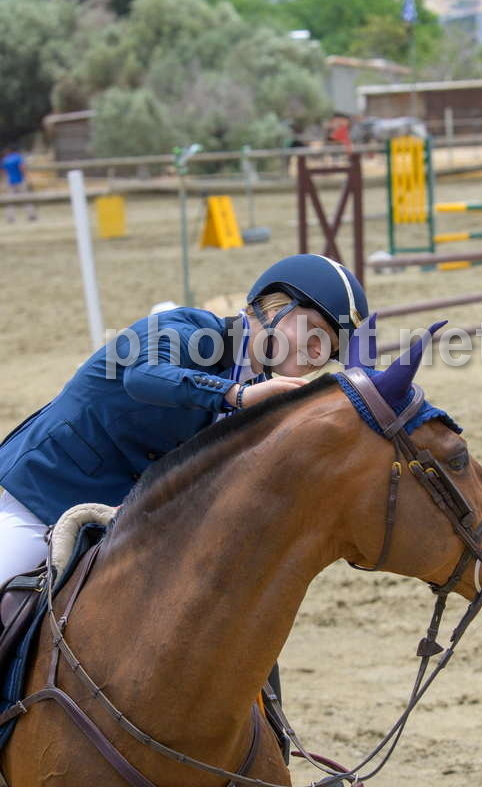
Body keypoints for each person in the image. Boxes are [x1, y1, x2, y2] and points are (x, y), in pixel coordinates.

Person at [0, 254, 369, 587]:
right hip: (46, 490)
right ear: (273, 307)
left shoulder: (260, 388)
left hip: (122, 523)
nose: (319, 352)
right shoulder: (186, 328)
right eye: (314, 331)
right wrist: (235, 395)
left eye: (330, 348)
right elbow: (142, 376)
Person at [1, 146, 36, 223]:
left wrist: (4, 180)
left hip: (10, 181)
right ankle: (31, 215)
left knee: (10, 200)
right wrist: (27, 177)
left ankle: (10, 217)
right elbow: (22, 167)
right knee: (26, 198)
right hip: (20, 180)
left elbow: (3, 171)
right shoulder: (18, 157)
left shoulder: (4, 160)